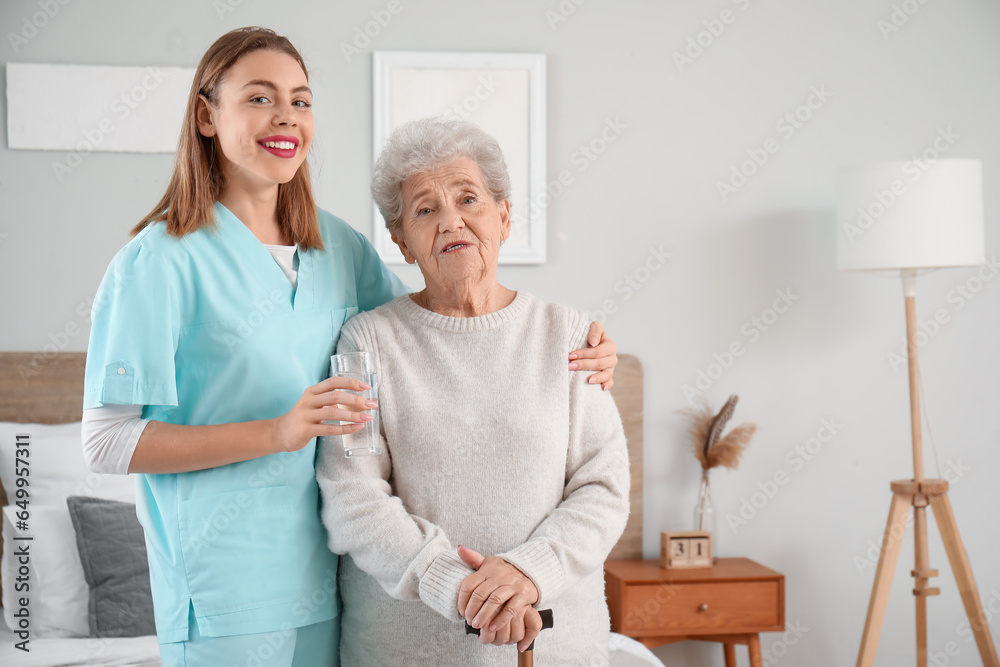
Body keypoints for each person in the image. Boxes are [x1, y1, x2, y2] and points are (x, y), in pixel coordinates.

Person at [80, 27, 619, 666]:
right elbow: (107, 441)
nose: (285, 116)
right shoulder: (158, 262)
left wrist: (583, 347)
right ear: (206, 115)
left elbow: (435, 329)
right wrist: (276, 433)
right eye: (258, 98)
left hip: (336, 594)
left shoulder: (339, 250)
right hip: (227, 595)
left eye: (300, 100)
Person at [317, 117, 631, 666]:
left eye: (469, 199)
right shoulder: (365, 342)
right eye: (425, 209)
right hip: (405, 650)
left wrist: (530, 570)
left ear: (504, 216)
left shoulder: (570, 335)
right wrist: (452, 583)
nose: (451, 221)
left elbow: (603, 487)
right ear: (402, 241)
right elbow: (352, 497)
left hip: (558, 646)